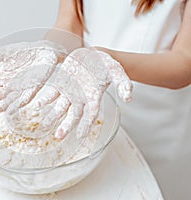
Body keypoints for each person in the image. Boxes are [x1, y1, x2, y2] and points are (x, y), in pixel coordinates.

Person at [53, 0, 191, 199]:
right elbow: (69, 23)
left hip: (158, 126)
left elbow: (185, 61)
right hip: (93, 114)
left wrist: (110, 61)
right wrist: (50, 50)